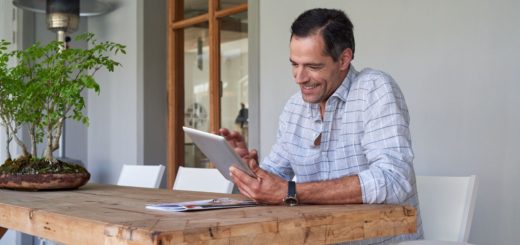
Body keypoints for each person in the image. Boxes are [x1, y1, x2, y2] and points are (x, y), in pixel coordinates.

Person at [219, 8, 423, 243]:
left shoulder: (374, 90)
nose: (299, 77)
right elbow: (272, 183)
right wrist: (246, 168)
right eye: (294, 64)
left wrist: (291, 192)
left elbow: (394, 180)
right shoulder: (295, 108)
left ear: (344, 59)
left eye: (313, 67)